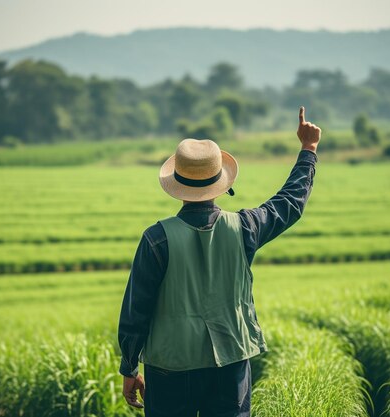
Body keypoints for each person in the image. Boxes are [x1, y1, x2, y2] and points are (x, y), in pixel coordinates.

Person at [117, 106, 321, 416]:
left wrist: (129, 368)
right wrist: (308, 150)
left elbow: (136, 311)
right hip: (231, 360)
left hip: (169, 367)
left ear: (177, 184)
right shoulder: (245, 228)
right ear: (221, 183)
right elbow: (289, 203)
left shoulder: (156, 239)